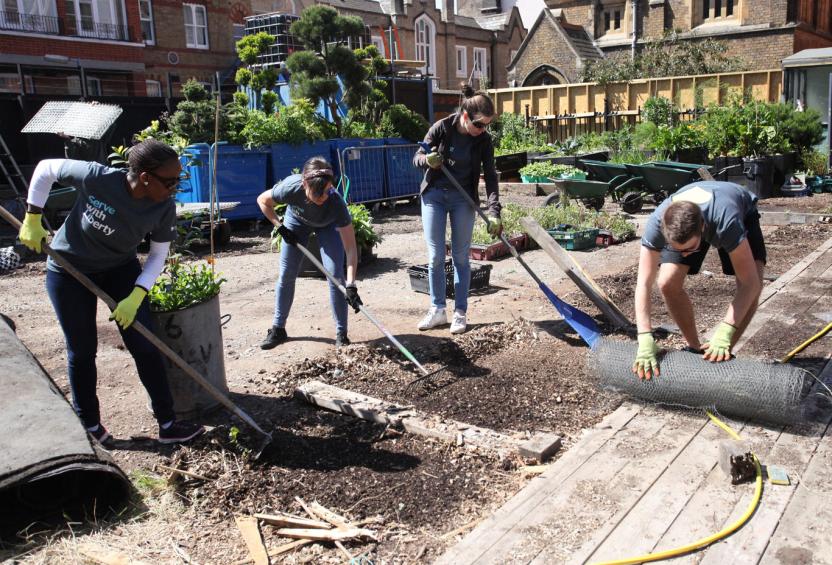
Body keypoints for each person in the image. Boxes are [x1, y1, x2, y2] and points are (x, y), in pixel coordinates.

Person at [17, 139, 205, 445]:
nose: (174, 188)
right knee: (82, 349)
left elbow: (157, 256)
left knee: (145, 343)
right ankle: (89, 425)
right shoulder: (98, 177)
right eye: (170, 181)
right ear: (145, 177)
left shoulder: (163, 207)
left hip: (120, 269)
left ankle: (168, 424)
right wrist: (32, 216)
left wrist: (136, 295)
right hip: (68, 268)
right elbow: (45, 169)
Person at [632, 180, 766, 380]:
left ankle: (720, 353)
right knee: (667, 283)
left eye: (689, 249)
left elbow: (750, 284)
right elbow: (643, 282)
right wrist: (644, 337)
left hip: (738, 210)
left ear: (703, 228)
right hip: (691, 220)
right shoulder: (656, 224)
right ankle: (696, 349)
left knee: (751, 285)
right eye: (678, 249)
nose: (684, 256)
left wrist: (725, 331)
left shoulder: (726, 222)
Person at [413, 85, 502, 334]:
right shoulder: (442, 128)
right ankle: (437, 310)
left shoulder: (483, 140)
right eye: (480, 124)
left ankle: (459, 312)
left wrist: (494, 211)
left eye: (487, 125)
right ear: (465, 115)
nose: (483, 130)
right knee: (435, 256)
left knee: (461, 257)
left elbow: (491, 176)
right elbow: (417, 156)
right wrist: (427, 160)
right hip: (434, 197)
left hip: (464, 200)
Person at [256, 156, 363, 349]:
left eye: (328, 190)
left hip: (327, 226)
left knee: (334, 276)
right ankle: (278, 329)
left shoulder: (336, 203)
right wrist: (280, 228)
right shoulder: (291, 188)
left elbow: (351, 248)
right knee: (287, 273)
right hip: (295, 221)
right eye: (318, 194)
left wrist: (351, 285)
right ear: (305, 184)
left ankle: (341, 333)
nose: (324, 197)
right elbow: (263, 200)